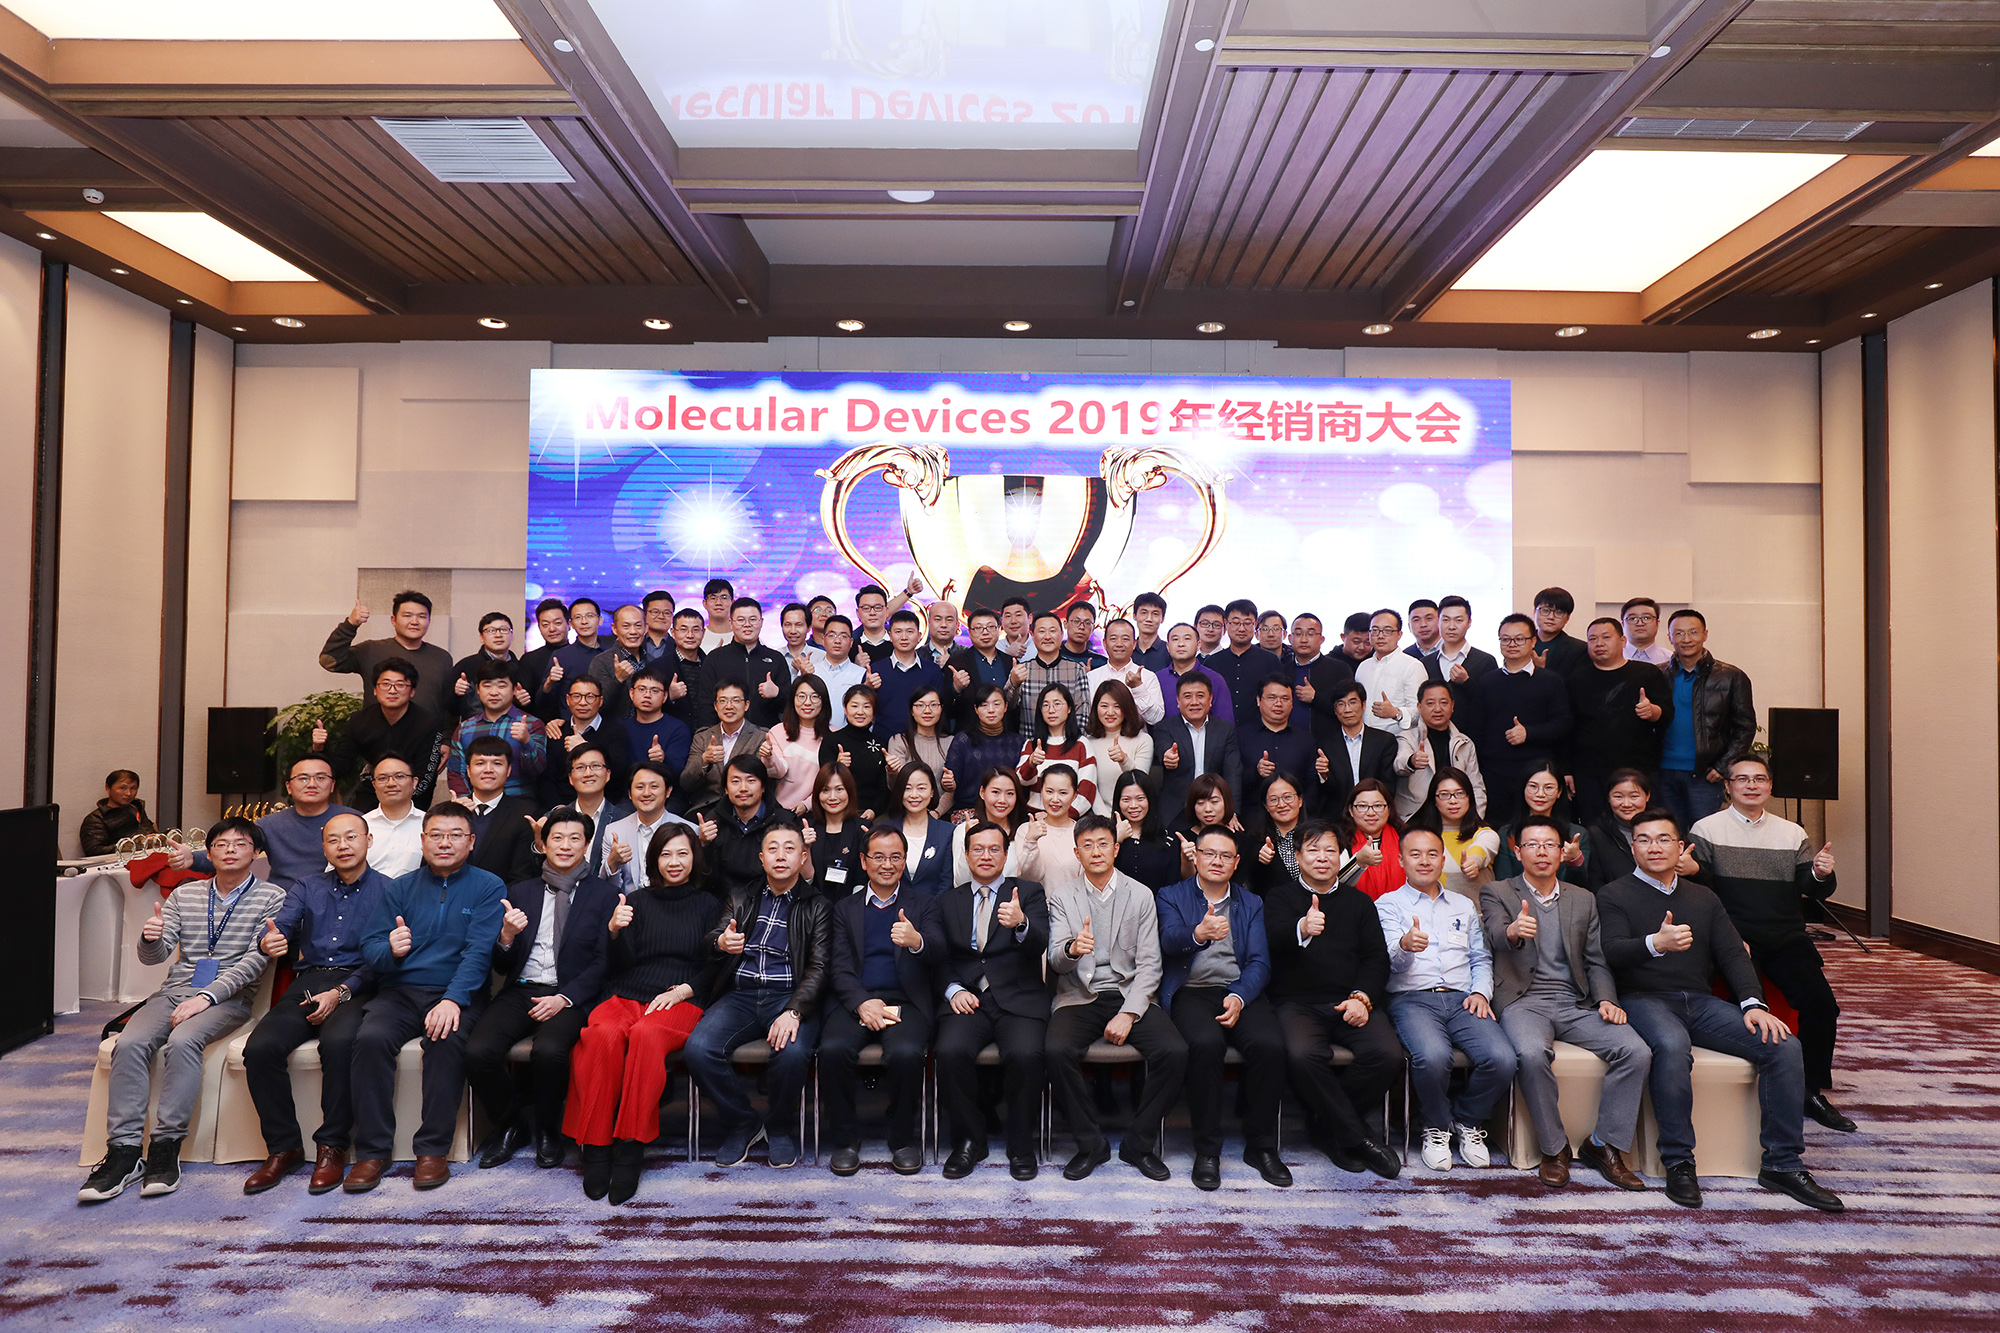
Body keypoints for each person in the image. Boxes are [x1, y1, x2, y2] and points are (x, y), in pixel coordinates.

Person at [1597, 810, 1843, 1212]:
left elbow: (1732, 953)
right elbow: (1610, 952)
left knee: (1783, 1045)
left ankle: (1782, 1163)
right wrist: (1656, 943)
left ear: (1681, 847)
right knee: (1672, 1046)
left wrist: (1753, 1004)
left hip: (1699, 1001)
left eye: (1664, 839)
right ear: (1632, 847)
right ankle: (1679, 1161)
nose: (1654, 847)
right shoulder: (1613, 894)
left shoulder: (1703, 897)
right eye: (1644, 839)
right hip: (1643, 998)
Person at [78, 818, 285, 1204]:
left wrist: (206, 997)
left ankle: (165, 1147)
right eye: (220, 844)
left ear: (257, 853)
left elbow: (255, 962)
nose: (230, 850)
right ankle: (124, 1152)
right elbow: (154, 956)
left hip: (228, 998)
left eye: (240, 843)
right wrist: (150, 937)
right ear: (209, 853)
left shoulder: (272, 897)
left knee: (183, 1041)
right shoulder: (186, 894)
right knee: (130, 1044)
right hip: (173, 992)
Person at [1480, 818, 1651, 1191]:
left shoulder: (1583, 898)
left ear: (1562, 852)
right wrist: (1513, 932)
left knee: (1636, 1050)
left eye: (1549, 845)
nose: (1541, 852)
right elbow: (1494, 932)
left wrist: (1606, 1000)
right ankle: (1554, 1149)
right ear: (1517, 851)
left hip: (1576, 1001)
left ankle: (1603, 1144)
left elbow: (1595, 960)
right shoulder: (1497, 891)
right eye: (1532, 845)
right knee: (1531, 1053)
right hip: (1524, 1001)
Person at [346, 802, 506, 1192]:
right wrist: (391, 949)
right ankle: (372, 1152)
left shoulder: (489, 886)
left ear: (471, 842)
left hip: (457, 992)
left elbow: (478, 952)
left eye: (455, 835)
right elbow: (371, 947)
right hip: (400, 991)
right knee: (370, 1039)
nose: (444, 843)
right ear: (422, 840)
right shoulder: (400, 888)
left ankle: (432, 1150)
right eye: (436, 835)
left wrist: (452, 999)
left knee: (446, 1040)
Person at [1690, 755, 1852, 1132]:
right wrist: (1726, 935)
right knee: (1748, 1012)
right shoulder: (1707, 829)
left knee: (1822, 1006)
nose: (1751, 785)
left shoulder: (1791, 832)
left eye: (1759, 779)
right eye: (1742, 779)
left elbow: (1811, 888)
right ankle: (1747, 1091)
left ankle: (1808, 1090)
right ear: (1727, 786)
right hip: (1733, 936)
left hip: (1785, 935)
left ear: (1770, 786)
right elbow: (1700, 890)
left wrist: (1820, 873)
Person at [565, 824, 721, 1203]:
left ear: (694, 858)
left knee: (646, 1036)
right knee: (600, 1035)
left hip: (679, 998)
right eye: (666, 854)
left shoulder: (709, 904)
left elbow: (716, 964)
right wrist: (614, 933)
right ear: (654, 859)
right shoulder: (636, 900)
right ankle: (597, 1146)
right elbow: (619, 964)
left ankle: (630, 1148)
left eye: (682, 853)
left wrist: (684, 990)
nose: (674, 862)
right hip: (627, 992)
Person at [240, 813, 393, 1195]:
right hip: (309, 981)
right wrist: (269, 941)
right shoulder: (307, 886)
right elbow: (279, 928)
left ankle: (332, 1145)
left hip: (361, 982)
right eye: (333, 839)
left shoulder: (390, 890)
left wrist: (341, 992)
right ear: (323, 847)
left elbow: (382, 958)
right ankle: (284, 1147)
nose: (343, 846)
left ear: (368, 840)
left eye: (351, 837)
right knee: (260, 1048)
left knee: (339, 1043)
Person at [465, 807, 620, 1173]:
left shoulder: (605, 895)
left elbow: (604, 963)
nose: (565, 846)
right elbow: (502, 965)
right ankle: (512, 1125)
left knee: (549, 1052)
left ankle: (549, 1129)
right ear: (544, 844)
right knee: (477, 1051)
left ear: (587, 845)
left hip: (570, 994)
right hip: (522, 988)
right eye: (557, 838)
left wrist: (563, 999)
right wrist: (506, 937)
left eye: (574, 838)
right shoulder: (521, 892)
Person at [1044, 814, 1189, 1181]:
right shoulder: (1062, 897)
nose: (1096, 852)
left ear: (1116, 849)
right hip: (1079, 995)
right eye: (1087, 846)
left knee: (1174, 1051)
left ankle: (1138, 1144)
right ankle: (1090, 1144)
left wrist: (1129, 1013)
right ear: (1077, 853)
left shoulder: (1140, 895)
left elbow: (1151, 965)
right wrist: (1072, 949)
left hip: (1128, 992)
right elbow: (1056, 961)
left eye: (1103, 844)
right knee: (1056, 1050)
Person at [685, 820, 831, 1168]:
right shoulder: (740, 896)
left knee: (792, 1053)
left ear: (802, 857)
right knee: (698, 1049)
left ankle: (779, 1128)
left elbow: (820, 967)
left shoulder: (818, 905)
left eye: (790, 849)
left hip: (789, 996)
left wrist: (795, 1011)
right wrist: (721, 943)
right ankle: (742, 1123)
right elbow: (712, 941)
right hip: (741, 995)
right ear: (761, 857)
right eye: (773, 849)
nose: (781, 856)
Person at [1262, 820, 1404, 1179]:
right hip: (1297, 1003)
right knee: (1302, 1056)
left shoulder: (1359, 902)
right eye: (1313, 850)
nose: (1323, 858)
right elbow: (1272, 941)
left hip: (1349, 1000)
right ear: (1297, 857)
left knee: (1387, 1055)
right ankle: (1357, 1138)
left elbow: (1376, 959)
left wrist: (1361, 998)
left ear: (1342, 857)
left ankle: (1326, 1124)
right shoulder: (1279, 897)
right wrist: (1301, 928)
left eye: (1331, 850)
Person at [1377, 827, 1517, 1172]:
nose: (1424, 861)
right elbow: (1389, 964)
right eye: (1415, 854)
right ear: (1401, 861)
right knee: (1432, 1056)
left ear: (1443, 860)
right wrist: (1405, 946)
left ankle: (1467, 1120)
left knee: (1502, 1059)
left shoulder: (1463, 904)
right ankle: (1436, 1127)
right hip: (1411, 999)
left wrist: (1481, 992)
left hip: (1463, 999)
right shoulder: (1388, 904)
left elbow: (1480, 957)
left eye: (1431, 854)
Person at [1158, 825, 1290, 1189]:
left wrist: (1239, 996)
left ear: (1236, 862)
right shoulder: (1171, 895)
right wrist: (1198, 934)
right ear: (1196, 857)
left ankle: (1261, 1146)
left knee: (1270, 1046)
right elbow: (1168, 940)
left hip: (1238, 990)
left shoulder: (1251, 902)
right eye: (1209, 853)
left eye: (1225, 856)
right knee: (1205, 1045)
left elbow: (1260, 961)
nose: (1217, 861)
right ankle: (1207, 1150)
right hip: (1192, 991)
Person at [823, 825, 942, 1176]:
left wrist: (917, 941)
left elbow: (940, 950)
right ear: (863, 861)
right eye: (878, 857)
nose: (887, 865)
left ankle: (903, 1140)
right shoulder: (844, 909)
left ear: (904, 861)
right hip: (856, 1001)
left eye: (895, 857)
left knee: (906, 1054)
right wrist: (862, 1002)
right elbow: (838, 966)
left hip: (906, 1001)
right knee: (832, 1050)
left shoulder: (924, 904)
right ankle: (845, 1141)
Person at [935, 821, 1049, 1179]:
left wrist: (1021, 923)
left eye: (994, 849)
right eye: (978, 849)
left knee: (1026, 1056)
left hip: (1018, 997)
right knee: (950, 1052)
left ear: (1006, 854)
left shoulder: (1028, 892)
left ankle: (1021, 1144)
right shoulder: (947, 900)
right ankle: (970, 1140)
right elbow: (938, 957)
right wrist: (953, 990)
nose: (986, 856)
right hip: (968, 998)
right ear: (966, 855)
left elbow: (1041, 942)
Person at [174, 755, 360, 890]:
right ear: (289, 786)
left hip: (339, 902)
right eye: (303, 778)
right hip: (282, 904)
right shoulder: (271, 824)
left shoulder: (354, 820)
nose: (312, 784)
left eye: (320, 778)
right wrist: (191, 859)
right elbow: (235, 849)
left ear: (332, 785)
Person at [1466, 613, 1572, 827]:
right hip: (1494, 774)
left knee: (1538, 831)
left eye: (1519, 639)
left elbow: (1564, 723)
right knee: (1497, 831)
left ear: (1533, 641)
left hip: (1537, 775)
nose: (1512, 644)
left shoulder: (1551, 680)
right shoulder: (1486, 682)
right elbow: (1476, 729)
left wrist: (1529, 733)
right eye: (1505, 639)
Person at [1656, 609, 1756, 830]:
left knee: (1704, 838)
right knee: (1668, 836)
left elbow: (1745, 727)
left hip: (1705, 775)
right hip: (1662, 774)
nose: (1686, 639)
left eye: (1693, 632)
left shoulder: (1731, 677)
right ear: (1669, 637)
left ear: (1705, 634)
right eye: (1679, 633)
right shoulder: (1656, 675)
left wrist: (1723, 766)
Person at [1568, 618, 1672, 824]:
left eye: (1606, 637)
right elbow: (1569, 727)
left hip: (1638, 768)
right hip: (1589, 772)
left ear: (1623, 641)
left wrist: (1652, 711)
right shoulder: (1576, 679)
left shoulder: (1647, 673)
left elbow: (1667, 714)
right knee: (1594, 826)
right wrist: (1567, 769)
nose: (1599, 643)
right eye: (1592, 639)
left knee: (1640, 825)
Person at [320, 659, 445, 811]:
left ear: (412, 691)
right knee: (358, 820)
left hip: (413, 794)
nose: (392, 691)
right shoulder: (359, 721)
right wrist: (320, 748)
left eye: (400, 685)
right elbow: (341, 765)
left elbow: (426, 775)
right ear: (375, 689)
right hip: (373, 789)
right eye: (386, 684)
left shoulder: (429, 723)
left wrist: (395, 799)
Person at [321, 590, 454, 724]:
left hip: (427, 735)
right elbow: (329, 661)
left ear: (429, 621)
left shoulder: (442, 658)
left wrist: (445, 736)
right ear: (393, 620)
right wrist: (350, 624)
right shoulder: (371, 650)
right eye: (407, 615)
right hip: (377, 733)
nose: (414, 621)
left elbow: (448, 705)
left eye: (422, 616)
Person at [447, 659, 545, 798]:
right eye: (487, 686)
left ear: (515, 689)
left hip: (520, 803)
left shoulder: (532, 724)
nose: (494, 692)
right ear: (478, 690)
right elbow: (456, 772)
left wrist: (526, 742)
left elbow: (537, 771)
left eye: (501, 685)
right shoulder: (465, 729)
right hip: (476, 805)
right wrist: (464, 801)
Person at [1149, 672, 1242, 816]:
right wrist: (1167, 756)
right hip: (1177, 812)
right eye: (1187, 696)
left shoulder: (1225, 730)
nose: (1194, 702)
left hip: (1214, 810)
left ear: (1210, 699)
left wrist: (1232, 812)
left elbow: (1233, 774)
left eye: (1200, 696)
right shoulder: (1164, 728)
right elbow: (1163, 746)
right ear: (1178, 701)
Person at [1391, 679, 1485, 821]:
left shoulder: (1464, 743)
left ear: (1452, 706)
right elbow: (1399, 765)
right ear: (1419, 707)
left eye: (1443, 703)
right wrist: (1412, 761)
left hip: (1456, 816)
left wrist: (1476, 821)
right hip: (1416, 817)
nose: (1437, 709)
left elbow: (1476, 786)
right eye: (1430, 703)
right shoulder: (1407, 737)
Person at [696, 598, 791, 731]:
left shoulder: (776, 659)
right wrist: (709, 735)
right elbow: (705, 704)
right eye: (741, 620)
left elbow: (790, 706)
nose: (747, 625)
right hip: (725, 736)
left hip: (768, 736)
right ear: (731, 623)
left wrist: (777, 693)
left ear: (761, 622)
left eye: (753, 619)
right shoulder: (715, 658)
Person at [1488, 766, 1590, 887]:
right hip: (1517, 897)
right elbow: (1503, 882)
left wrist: (1574, 860)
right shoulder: (1508, 834)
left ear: (1559, 792)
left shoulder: (1576, 835)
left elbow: (1581, 888)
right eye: (1533, 786)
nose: (1540, 794)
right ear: (1523, 789)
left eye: (1548, 788)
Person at [599, 761, 691, 892]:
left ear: (668, 791)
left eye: (654, 786)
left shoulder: (688, 830)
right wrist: (613, 862)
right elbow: (606, 887)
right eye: (640, 787)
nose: (646, 793)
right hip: (628, 902)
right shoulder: (614, 831)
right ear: (630, 794)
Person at [460, 738, 541, 886]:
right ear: (468, 770)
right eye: (480, 763)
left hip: (501, 897)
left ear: (508, 770)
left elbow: (522, 876)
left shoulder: (524, 814)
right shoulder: (452, 812)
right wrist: (454, 817)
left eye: (497, 763)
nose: (488, 770)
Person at [539, 675, 629, 807]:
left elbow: (619, 772)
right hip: (565, 806)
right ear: (568, 700)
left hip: (606, 806)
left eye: (590, 696)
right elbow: (546, 779)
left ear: (600, 701)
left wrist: (584, 747)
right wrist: (558, 808)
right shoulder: (557, 731)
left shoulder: (616, 731)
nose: (582, 702)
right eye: (576, 696)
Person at [681, 681, 769, 814]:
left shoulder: (761, 737)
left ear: (746, 705)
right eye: (723, 701)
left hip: (746, 807)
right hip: (708, 807)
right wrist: (704, 760)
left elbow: (764, 782)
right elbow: (686, 783)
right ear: (716, 706)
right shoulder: (702, 737)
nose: (729, 706)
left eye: (736, 700)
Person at [1409, 768, 1498, 899]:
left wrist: (1473, 862)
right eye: (1444, 794)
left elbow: (1482, 848)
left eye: (1460, 793)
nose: (1453, 801)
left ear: (1469, 797)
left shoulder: (1485, 834)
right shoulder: (1420, 838)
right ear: (1434, 800)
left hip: (1477, 911)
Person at [697, 756, 776, 899]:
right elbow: (705, 879)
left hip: (769, 901)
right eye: (735, 781)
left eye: (751, 781)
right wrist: (702, 844)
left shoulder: (782, 822)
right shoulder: (714, 821)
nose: (743, 788)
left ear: (763, 786)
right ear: (726, 789)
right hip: (723, 901)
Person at [1241, 673, 1320, 814]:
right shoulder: (1240, 736)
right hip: (1252, 816)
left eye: (1285, 698)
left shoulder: (1305, 739)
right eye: (1272, 698)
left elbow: (1312, 784)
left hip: (1297, 818)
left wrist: (1303, 814)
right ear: (1259, 700)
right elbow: (1231, 779)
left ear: (1292, 703)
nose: (1278, 704)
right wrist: (1256, 773)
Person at [1018, 683, 1098, 816]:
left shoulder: (1081, 744)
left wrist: (1055, 818)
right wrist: (1031, 763)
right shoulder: (1032, 744)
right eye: (1045, 705)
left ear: (1069, 708)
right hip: (1034, 816)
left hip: (1069, 820)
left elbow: (1087, 791)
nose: (1051, 710)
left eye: (1057, 704)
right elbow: (1021, 781)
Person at [872, 609, 949, 745]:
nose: (904, 637)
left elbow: (940, 710)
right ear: (890, 636)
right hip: (883, 743)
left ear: (919, 636)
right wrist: (867, 687)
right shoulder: (876, 670)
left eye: (909, 631)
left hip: (924, 744)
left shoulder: (932, 670)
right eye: (898, 632)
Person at [1318, 681, 1396, 816]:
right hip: (1338, 817)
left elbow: (1388, 785)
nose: (1347, 709)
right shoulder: (1324, 743)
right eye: (1341, 704)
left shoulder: (1384, 741)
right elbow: (1326, 792)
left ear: (1363, 705)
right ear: (1335, 710)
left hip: (1374, 814)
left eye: (1352, 702)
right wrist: (1324, 776)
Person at [1006, 612, 1090, 736]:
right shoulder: (1022, 670)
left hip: (1067, 743)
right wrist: (1014, 683)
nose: (1047, 637)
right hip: (1030, 742)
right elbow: (1008, 706)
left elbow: (1083, 713)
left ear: (1062, 635)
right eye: (1042, 631)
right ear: (1032, 636)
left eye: (1052, 631)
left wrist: (1071, 741)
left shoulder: (1077, 670)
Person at [944, 682, 1022, 813]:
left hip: (1006, 811)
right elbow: (951, 778)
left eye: (996, 704)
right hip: (969, 811)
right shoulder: (963, 740)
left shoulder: (1017, 742)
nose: (991, 710)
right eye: (984, 705)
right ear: (976, 709)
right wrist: (949, 783)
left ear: (1005, 707)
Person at [554, 743, 629, 874]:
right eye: (580, 767)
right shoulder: (554, 819)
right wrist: (539, 846)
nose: (588, 773)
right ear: (570, 778)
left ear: (608, 774)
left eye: (596, 766)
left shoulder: (624, 820)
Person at [1205, 598, 1284, 724]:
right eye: (1236, 623)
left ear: (1255, 625)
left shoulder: (1270, 661)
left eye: (1247, 623)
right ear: (1226, 624)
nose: (1241, 628)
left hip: (1260, 730)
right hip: (1219, 731)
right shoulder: (1211, 663)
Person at [614, 670, 693, 791]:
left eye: (655, 691)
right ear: (631, 693)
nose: (647, 695)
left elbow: (680, 775)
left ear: (665, 696)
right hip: (628, 794)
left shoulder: (678, 729)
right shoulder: (620, 729)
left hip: (667, 794)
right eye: (642, 689)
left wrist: (663, 759)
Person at [1083, 679, 1153, 815]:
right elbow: (1091, 788)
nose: (1110, 712)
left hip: (1135, 815)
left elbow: (1140, 783)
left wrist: (1124, 760)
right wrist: (1107, 820)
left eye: (1117, 706)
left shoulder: (1143, 740)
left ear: (1126, 708)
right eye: (1104, 706)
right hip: (1101, 818)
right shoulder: (1088, 743)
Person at [820, 684, 889, 818]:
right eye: (854, 706)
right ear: (845, 709)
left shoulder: (881, 744)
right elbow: (823, 783)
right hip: (838, 812)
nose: (860, 712)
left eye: (867, 707)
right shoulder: (831, 741)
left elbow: (884, 787)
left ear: (874, 711)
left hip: (871, 813)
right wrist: (838, 766)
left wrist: (874, 810)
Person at [1355, 608, 1427, 735]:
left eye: (1387, 631)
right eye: (1375, 630)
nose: (1380, 636)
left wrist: (1395, 712)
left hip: (1398, 740)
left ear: (1399, 634)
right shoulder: (1363, 667)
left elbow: (1421, 711)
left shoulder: (1412, 666)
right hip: (1364, 739)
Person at [767, 675, 832, 813]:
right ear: (793, 700)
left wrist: (807, 804)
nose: (807, 702)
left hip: (821, 811)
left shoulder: (834, 735)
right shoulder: (778, 731)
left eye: (814, 697)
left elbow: (833, 781)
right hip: (781, 811)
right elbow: (777, 773)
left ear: (824, 701)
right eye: (801, 696)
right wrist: (768, 756)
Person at [950, 767, 1027, 884]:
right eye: (995, 792)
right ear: (982, 792)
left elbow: (1030, 880)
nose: (1002, 800)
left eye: (1009, 793)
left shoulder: (1023, 832)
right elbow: (960, 882)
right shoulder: (963, 830)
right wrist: (968, 839)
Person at [890, 762, 955, 898]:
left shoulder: (948, 832)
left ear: (932, 791)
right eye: (907, 788)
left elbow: (946, 883)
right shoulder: (885, 830)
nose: (914, 795)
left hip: (934, 907)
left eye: (921, 788)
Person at [886, 686, 953, 815]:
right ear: (912, 711)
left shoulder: (951, 742)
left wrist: (936, 813)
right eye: (920, 705)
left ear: (941, 709)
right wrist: (892, 771)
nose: (927, 711)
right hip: (905, 814)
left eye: (933, 705)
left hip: (941, 815)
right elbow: (896, 786)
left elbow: (953, 789)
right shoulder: (899, 740)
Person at [446, 612, 524, 721]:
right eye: (491, 631)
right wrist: (456, 693)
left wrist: (524, 702)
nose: (498, 635)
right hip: (475, 727)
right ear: (481, 637)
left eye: (503, 630)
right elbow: (448, 707)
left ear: (512, 635)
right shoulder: (466, 665)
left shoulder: (522, 666)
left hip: (514, 727)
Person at [1087, 618, 1166, 725]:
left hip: (1136, 736)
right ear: (1104, 643)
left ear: (1134, 644)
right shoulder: (1091, 677)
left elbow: (1156, 718)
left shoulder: (1147, 676)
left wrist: (1138, 688)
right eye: (1113, 639)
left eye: (1125, 639)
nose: (1119, 644)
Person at [1015, 766, 1084, 888]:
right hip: (1037, 900)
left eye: (1063, 793)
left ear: (1074, 795)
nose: (1055, 799)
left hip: (1074, 899)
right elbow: (1027, 877)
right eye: (1049, 791)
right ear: (1041, 791)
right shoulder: (1026, 830)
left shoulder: (1082, 832)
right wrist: (1031, 841)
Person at [1110, 770, 1179, 890]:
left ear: (1150, 799)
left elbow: (1172, 886)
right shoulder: (1106, 835)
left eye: (1140, 798)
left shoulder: (1167, 839)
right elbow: (1096, 871)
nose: (1133, 806)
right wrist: (1116, 838)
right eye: (1126, 799)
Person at [806, 764, 867, 900]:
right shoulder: (807, 828)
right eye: (825, 790)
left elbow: (862, 880)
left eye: (839, 789)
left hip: (852, 905)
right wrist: (804, 848)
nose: (832, 797)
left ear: (850, 791)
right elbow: (804, 881)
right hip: (811, 905)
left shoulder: (862, 829)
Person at [1246, 772, 1311, 898]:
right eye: (1273, 800)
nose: (1281, 805)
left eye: (1287, 797)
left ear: (1300, 800)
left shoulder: (1316, 835)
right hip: (1274, 907)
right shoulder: (1255, 839)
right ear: (1266, 806)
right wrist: (1260, 862)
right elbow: (1251, 883)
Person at [945, 607, 1012, 728]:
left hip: (1006, 732)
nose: (985, 632)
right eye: (978, 628)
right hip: (970, 733)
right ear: (970, 632)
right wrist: (956, 688)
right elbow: (946, 709)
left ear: (999, 629)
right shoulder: (956, 663)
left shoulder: (1010, 662)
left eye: (990, 627)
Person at [1339, 779, 1404, 900]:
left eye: (1377, 806)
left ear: (1389, 809)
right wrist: (1358, 862)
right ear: (1351, 811)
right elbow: (1332, 885)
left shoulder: (1406, 838)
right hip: (1355, 909)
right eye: (1362, 806)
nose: (1370, 813)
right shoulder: (1339, 840)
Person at [362, 753, 425, 877]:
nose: (391, 783)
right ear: (374, 785)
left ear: (414, 782)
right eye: (382, 778)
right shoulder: (360, 826)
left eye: (399, 776)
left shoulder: (430, 825)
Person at [1428, 595, 1498, 703]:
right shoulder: (1426, 662)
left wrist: (1466, 682)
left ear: (1469, 622)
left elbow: (1493, 701)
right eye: (1446, 620)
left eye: (1458, 620)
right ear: (1438, 622)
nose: (1451, 626)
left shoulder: (1486, 661)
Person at [1159, 622, 1234, 723]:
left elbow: (1225, 722)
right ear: (1168, 647)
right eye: (1175, 639)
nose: (1181, 644)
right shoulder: (1157, 679)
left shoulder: (1214, 679)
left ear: (1198, 645)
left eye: (1187, 639)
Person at [589, 605, 652, 721]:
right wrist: (617, 680)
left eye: (638, 625)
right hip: (615, 730)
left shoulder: (652, 661)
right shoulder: (601, 661)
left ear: (646, 628)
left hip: (649, 728)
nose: (633, 632)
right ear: (614, 629)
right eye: (626, 626)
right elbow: (595, 706)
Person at [803, 614, 867, 716]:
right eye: (832, 635)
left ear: (851, 642)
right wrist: (804, 676)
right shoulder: (810, 671)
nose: (837, 641)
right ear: (823, 640)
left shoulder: (862, 674)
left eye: (843, 636)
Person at [80, 769, 155, 854]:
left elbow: (149, 833)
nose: (128, 793)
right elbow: (93, 851)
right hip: (118, 860)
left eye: (133, 788)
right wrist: (132, 845)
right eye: (122, 788)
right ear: (108, 788)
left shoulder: (137, 808)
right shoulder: (96, 819)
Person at [1532, 587, 1589, 679]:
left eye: (1559, 612)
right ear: (1535, 612)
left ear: (1567, 618)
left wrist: (1541, 671)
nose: (1551, 617)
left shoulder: (1580, 650)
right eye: (1545, 610)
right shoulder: (1519, 642)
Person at [1621, 597, 1672, 666]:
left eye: (1646, 618)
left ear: (1657, 623)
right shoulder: (1612, 659)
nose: (1640, 623)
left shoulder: (1669, 660)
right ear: (1623, 624)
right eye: (1633, 618)